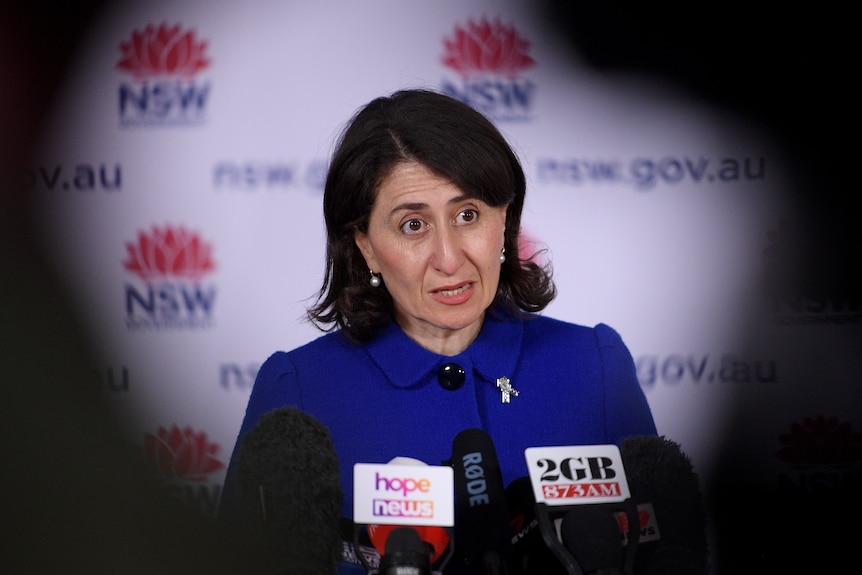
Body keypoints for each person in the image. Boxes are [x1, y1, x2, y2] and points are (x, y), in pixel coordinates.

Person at [220, 89, 657, 573]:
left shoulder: (593, 365)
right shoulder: (299, 390)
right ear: (365, 246)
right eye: (413, 225)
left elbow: (664, 551)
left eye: (467, 215)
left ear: (505, 221)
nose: (449, 258)